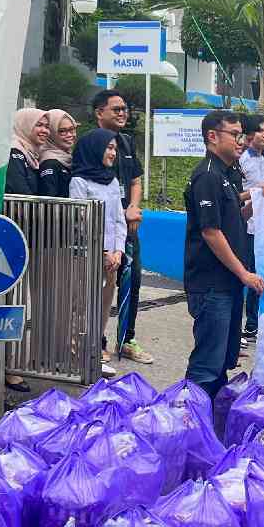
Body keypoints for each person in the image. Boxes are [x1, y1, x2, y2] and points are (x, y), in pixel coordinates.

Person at [183, 110, 264, 393]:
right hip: (211, 284)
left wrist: (254, 202)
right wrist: (244, 273)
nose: (240, 141)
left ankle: (212, 423)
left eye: (242, 134)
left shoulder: (226, 175)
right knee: (207, 365)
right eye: (234, 134)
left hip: (227, 284)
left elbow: (232, 221)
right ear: (212, 136)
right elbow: (211, 232)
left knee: (222, 362)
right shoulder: (207, 176)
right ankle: (191, 422)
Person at [93, 91, 154, 365]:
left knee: (133, 282)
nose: (122, 113)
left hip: (128, 228)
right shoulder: (91, 144)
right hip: (102, 231)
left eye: (124, 109)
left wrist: (133, 208)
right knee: (99, 287)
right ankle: (96, 340)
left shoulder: (127, 143)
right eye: (115, 109)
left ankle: (127, 339)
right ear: (99, 113)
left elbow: (136, 181)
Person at [69, 129, 128, 377]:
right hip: (87, 254)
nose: (113, 153)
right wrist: (102, 250)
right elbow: (80, 219)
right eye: (109, 148)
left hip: (111, 259)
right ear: (94, 149)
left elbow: (118, 220)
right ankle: (74, 356)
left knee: (102, 307)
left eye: (115, 148)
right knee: (81, 306)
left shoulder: (112, 180)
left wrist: (118, 251)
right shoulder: (79, 182)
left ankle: (93, 353)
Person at [238, 114, 264, 343]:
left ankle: (254, 324)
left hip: (263, 225)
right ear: (251, 135)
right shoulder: (242, 159)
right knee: (247, 272)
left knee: (260, 273)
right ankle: (247, 323)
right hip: (244, 222)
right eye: (261, 131)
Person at [4, 109, 50, 196]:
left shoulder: (31, 153)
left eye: (47, 127)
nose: (44, 130)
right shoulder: (14, 151)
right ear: (24, 125)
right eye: (39, 125)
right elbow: (18, 188)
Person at [38, 109, 77, 198]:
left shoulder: (69, 158)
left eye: (72, 130)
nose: (70, 135)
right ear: (51, 134)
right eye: (62, 131)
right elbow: (49, 200)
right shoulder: (49, 163)